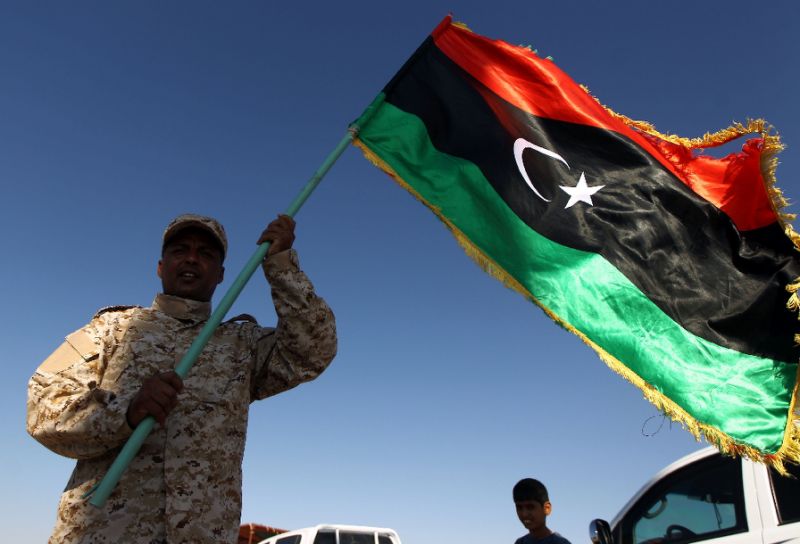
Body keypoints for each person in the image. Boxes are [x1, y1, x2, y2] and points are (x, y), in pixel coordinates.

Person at [26, 213, 337, 544]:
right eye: (180, 250)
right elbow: (43, 406)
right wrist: (125, 413)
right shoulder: (112, 330)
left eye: (206, 253)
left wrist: (281, 265)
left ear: (220, 275)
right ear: (160, 266)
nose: (192, 258)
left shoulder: (242, 345)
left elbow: (313, 350)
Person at [513, 478, 572, 544]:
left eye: (530, 507)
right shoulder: (520, 542)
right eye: (519, 507)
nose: (524, 514)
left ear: (547, 508)